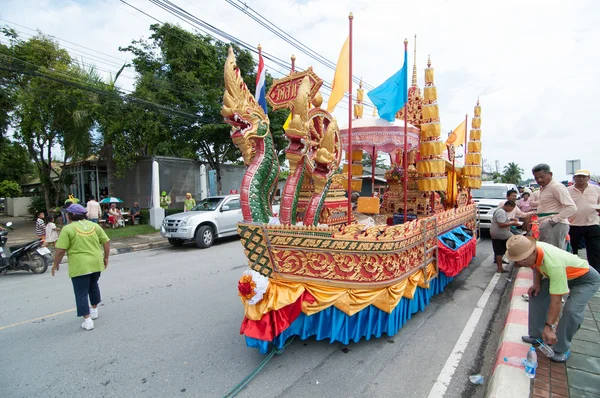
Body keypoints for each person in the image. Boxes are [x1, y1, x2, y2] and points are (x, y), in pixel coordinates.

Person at [507, 234, 600, 362]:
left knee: (572, 311)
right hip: (566, 275)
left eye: (522, 260)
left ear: (533, 251)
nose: (520, 263)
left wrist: (549, 326)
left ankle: (562, 348)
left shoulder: (553, 264)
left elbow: (556, 301)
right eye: (517, 260)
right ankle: (537, 335)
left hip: (585, 279)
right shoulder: (533, 251)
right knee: (536, 294)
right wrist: (537, 284)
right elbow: (537, 266)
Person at [51, 204, 110, 331]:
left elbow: (60, 250)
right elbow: (106, 242)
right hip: (96, 262)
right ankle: (94, 310)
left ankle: (87, 320)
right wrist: (106, 258)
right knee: (93, 286)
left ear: (70, 215)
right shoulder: (94, 226)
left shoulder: (68, 229)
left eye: (66, 214)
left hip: (80, 265)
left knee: (81, 292)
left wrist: (55, 264)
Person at [532, 164, 577, 250]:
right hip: (547, 224)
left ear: (550, 174)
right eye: (536, 178)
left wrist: (552, 221)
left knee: (553, 254)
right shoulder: (545, 188)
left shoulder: (556, 187)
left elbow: (571, 207)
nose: (539, 180)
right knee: (547, 253)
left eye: (542, 177)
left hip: (554, 225)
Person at [567, 169, 600, 272]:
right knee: (572, 252)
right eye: (578, 176)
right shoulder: (567, 190)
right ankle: (574, 272)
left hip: (592, 223)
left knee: (595, 252)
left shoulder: (596, 189)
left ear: (588, 178)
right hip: (573, 225)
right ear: (574, 178)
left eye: (584, 176)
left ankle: (596, 273)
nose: (581, 178)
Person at [491, 200, 520, 273]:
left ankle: (499, 268)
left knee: (498, 251)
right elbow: (501, 224)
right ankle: (518, 263)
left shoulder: (499, 210)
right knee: (516, 245)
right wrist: (512, 223)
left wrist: (510, 219)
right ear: (508, 206)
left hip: (495, 233)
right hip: (502, 233)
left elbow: (502, 220)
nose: (511, 211)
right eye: (511, 209)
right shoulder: (501, 212)